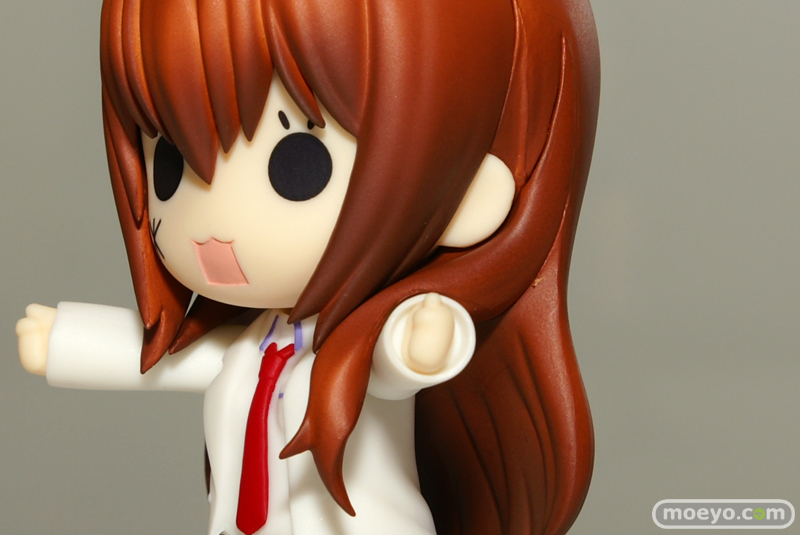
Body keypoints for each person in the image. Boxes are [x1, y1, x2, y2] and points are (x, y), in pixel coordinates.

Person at [17, 0, 600, 533]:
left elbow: (391, 367)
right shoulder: (258, 343)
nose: (213, 225)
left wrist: (424, 342)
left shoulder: (363, 344)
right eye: (170, 162)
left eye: (299, 166)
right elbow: (174, 361)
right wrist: (67, 340)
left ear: (470, 192)